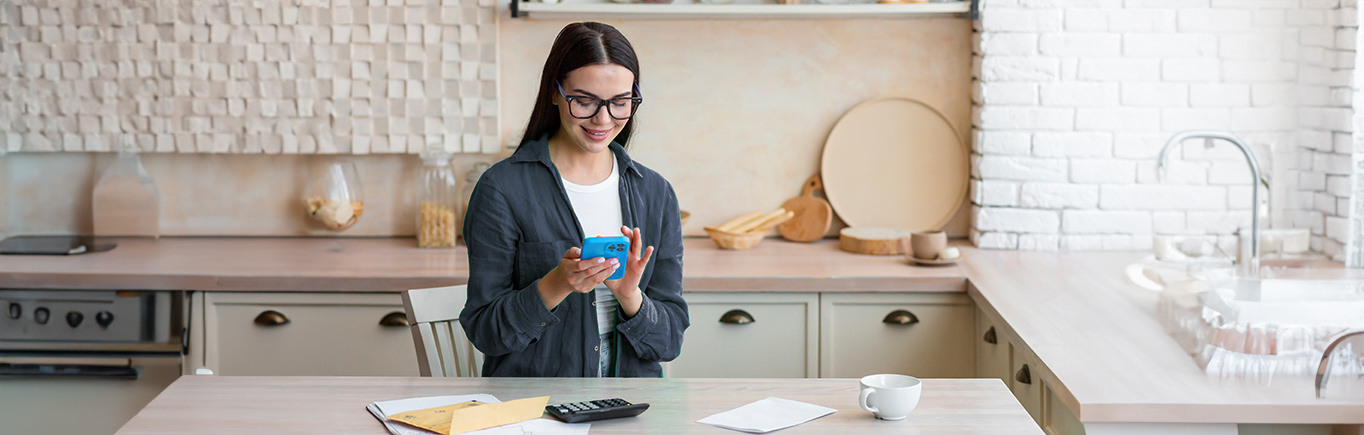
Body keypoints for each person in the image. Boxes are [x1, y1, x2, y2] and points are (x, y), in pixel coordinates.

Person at [459, 22, 688, 377]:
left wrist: (631, 298)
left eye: (620, 103)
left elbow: (669, 342)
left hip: (630, 402)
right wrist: (558, 283)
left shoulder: (655, 193)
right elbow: (486, 332)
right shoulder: (501, 189)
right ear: (555, 93)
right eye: (584, 101)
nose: (603, 119)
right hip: (536, 405)